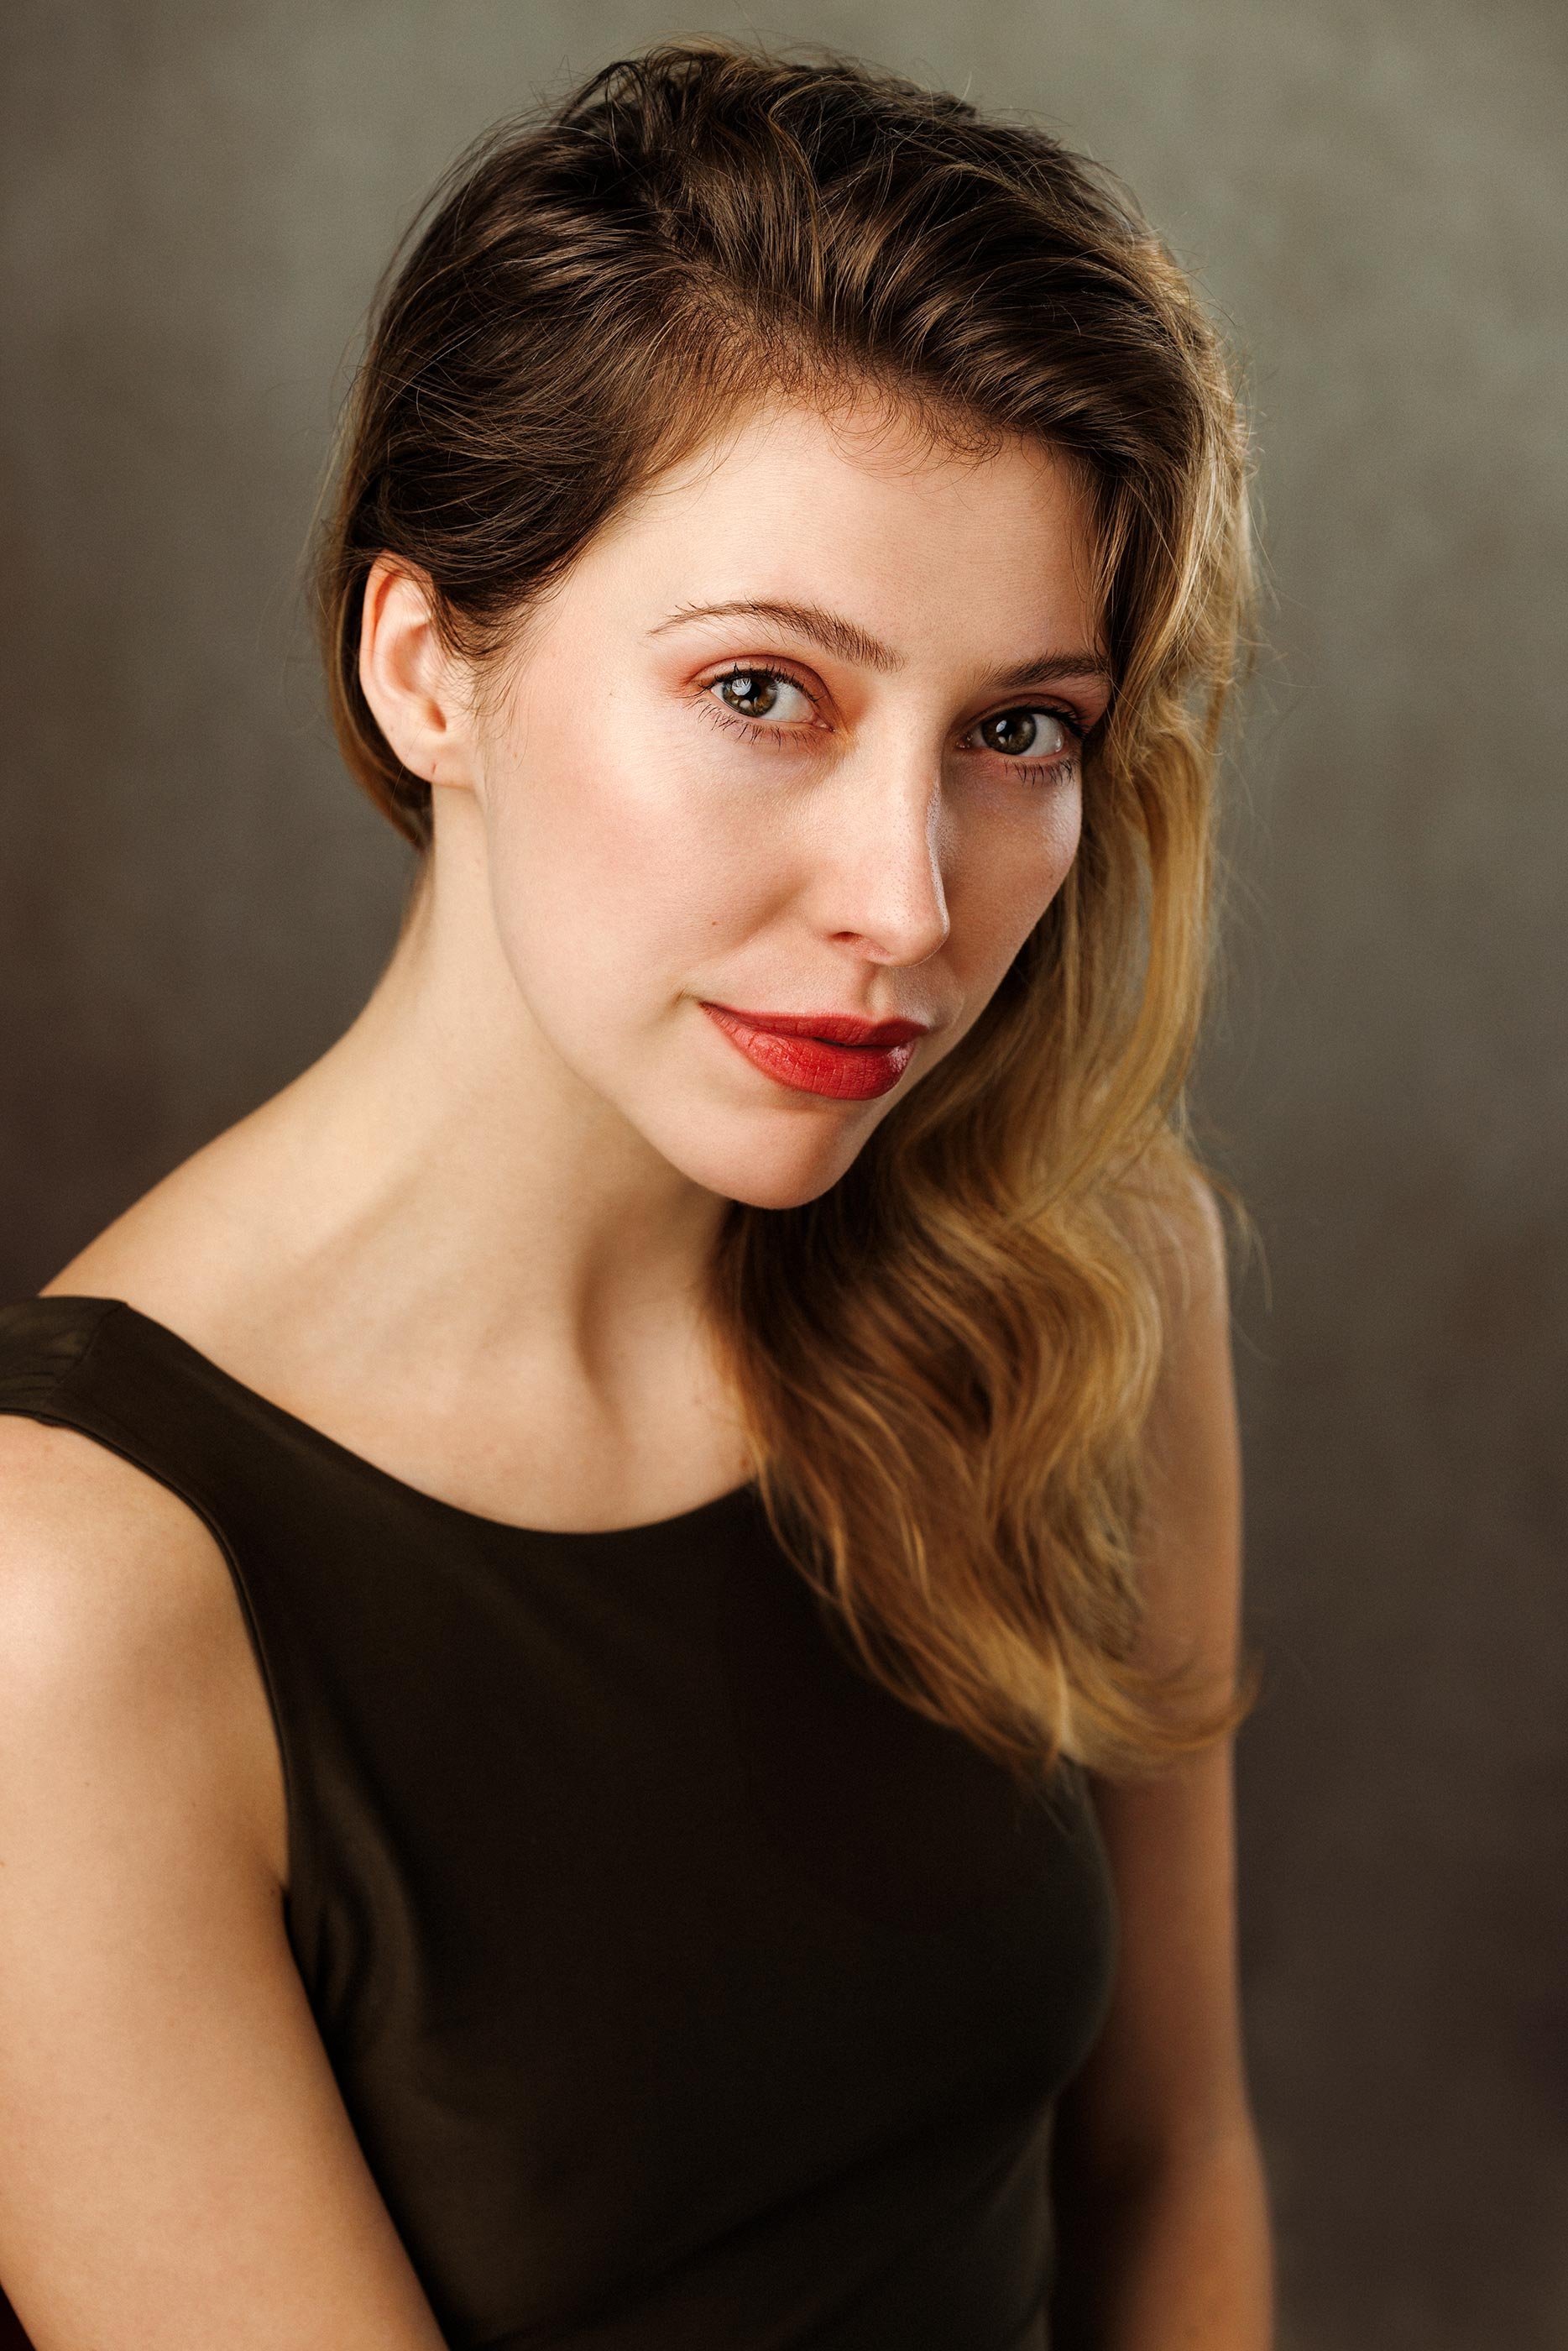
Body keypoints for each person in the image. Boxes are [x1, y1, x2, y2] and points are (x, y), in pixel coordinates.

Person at [0, 34, 1274, 2351]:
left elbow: (1167, 2154)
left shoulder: (1087, 1285)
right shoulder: (64, 1602)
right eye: (766, 692)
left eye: (1018, 729)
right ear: (427, 668)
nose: (906, 900)